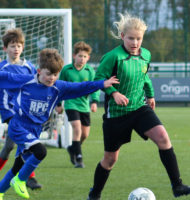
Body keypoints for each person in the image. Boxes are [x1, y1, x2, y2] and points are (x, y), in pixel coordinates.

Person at [87, 13, 190, 200]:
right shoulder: (112, 57)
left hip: (139, 107)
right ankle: (95, 194)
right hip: (117, 114)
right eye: (131, 38)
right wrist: (114, 92)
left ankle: (177, 186)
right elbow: (99, 79)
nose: (135, 42)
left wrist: (150, 94)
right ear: (122, 36)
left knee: (163, 137)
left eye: (138, 38)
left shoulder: (146, 55)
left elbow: (144, 75)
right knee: (110, 159)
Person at [0, 48, 119, 200]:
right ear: (39, 71)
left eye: (55, 75)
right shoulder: (25, 80)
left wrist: (102, 83)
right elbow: (3, 76)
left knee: (18, 165)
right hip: (18, 126)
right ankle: (20, 181)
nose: (51, 78)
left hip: (35, 130)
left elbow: (81, 87)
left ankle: (0, 191)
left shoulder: (58, 87)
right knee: (41, 152)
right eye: (48, 74)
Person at [0, 28, 42, 190]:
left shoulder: (29, 68)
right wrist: (7, 113)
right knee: (20, 144)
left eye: (18, 45)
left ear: (23, 48)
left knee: (11, 147)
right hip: (10, 112)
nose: (16, 49)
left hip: (26, 113)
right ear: (5, 49)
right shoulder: (2, 68)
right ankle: (28, 178)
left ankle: (27, 178)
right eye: (12, 46)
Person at [57, 41, 99, 168]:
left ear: (88, 58)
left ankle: (72, 149)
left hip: (84, 105)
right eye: (80, 56)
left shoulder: (90, 71)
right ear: (74, 56)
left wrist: (95, 102)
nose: (82, 59)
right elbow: (59, 86)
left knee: (85, 134)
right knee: (77, 128)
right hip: (70, 103)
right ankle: (79, 159)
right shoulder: (66, 70)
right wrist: (58, 103)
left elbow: (94, 87)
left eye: (85, 56)